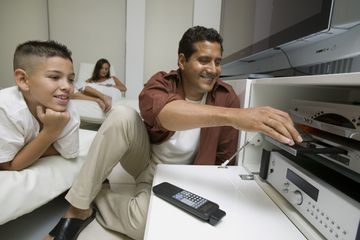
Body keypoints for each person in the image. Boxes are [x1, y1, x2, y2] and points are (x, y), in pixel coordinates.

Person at [46, 26, 302, 240]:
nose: (212, 69)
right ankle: (78, 208)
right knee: (122, 114)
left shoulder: (226, 96)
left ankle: (99, 196)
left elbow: (224, 158)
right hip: (146, 162)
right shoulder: (160, 82)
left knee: (143, 226)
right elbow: (165, 115)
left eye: (217, 62)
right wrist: (236, 117)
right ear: (182, 61)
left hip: (185, 177)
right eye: (203, 60)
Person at [0, 40, 80, 171]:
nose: (67, 87)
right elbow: (8, 165)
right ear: (23, 80)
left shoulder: (68, 107)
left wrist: (24, 151)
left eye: (70, 79)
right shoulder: (6, 108)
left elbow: (68, 152)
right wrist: (50, 132)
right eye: (54, 77)